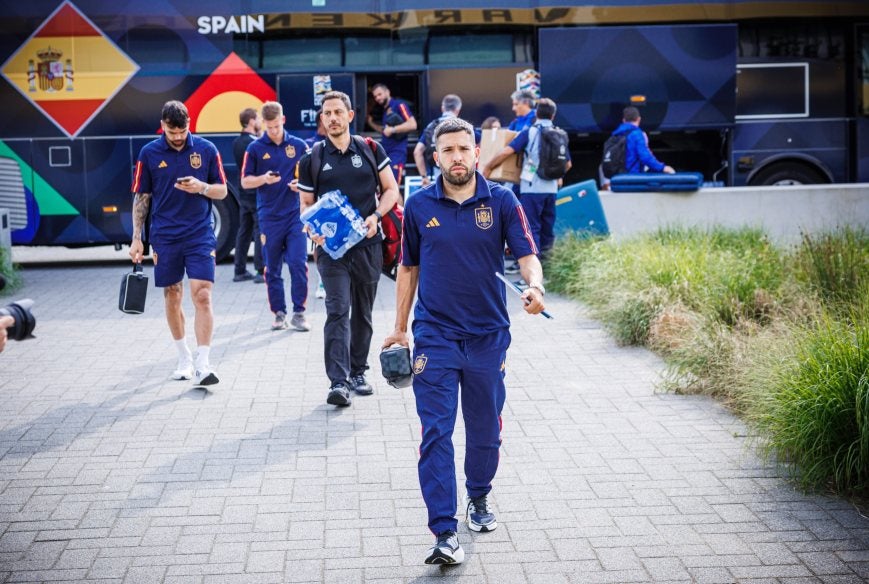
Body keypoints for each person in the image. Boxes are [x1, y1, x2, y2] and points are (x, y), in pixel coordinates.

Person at [381, 117, 546, 565]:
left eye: (464, 148)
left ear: (477, 153)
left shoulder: (502, 200)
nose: (456, 156)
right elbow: (408, 269)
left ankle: (479, 495)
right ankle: (443, 531)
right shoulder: (418, 205)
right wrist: (399, 326)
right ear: (436, 157)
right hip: (435, 334)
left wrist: (536, 287)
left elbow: (528, 255)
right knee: (436, 431)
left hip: (489, 335)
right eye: (447, 150)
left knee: (484, 429)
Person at [298, 91, 400, 407]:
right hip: (332, 251)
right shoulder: (312, 158)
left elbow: (391, 190)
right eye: (326, 113)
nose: (331, 118)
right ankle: (339, 382)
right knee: (338, 308)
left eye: (337, 112)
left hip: (368, 244)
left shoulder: (370, 149)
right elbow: (305, 204)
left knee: (363, 313)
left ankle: (358, 372)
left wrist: (375, 217)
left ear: (350, 115)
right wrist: (313, 229)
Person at [129, 100, 228, 387]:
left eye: (182, 132)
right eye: (172, 133)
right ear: (163, 126)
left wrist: (202, 187)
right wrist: (137, 238)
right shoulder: (149, 153)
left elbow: (221, 190)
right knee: (173, 295)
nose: (177, 137)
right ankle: (183, 357)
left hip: (199, 234)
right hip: (165, 235)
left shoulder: (206, 150)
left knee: (203, 295)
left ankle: (203, 363)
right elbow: (142, 198)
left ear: (189, 124)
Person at [241, 101, 311, 332]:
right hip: (269, 216)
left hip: (295, 216)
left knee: (298, 263)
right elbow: (244, 181)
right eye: (268, 127)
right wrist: (264, 179)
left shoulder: (299, 146)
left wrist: (299, 185)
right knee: (272, 268)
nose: (272, 131)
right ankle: (279, 313)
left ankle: (299, 312)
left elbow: (313, 178)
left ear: (283, 120)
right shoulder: (255, 148)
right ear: (263, 123)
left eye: (276, 126)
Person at [481, 98, 571, 259]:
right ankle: (548, 266)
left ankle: (534, 268)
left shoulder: (529, 132)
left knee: (531, 228)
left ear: (536, 113)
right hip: (551, 189)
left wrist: (488, 167)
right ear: (553, 115)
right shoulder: (560, 133)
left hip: (531, 189)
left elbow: (506, 152)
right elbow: (568, 164)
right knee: (547, 229)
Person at [232, 107, 265, 284]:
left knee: (243, 231)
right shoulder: (254, 143)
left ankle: (239, 270)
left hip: (242, 192)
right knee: (259, 229)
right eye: (258, 118)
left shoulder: (237, 142)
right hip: (255, 191)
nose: (260, 122)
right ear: (251, 121)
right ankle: (261, 270)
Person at [367, 83, 417, 186]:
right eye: (375, 96)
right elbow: (385, 131)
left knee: (393, 189)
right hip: (386, 154)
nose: (377, 98)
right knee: (387, 189)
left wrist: (393, 129)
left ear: (387, 92)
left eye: (379, 94)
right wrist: (370, 123)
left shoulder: (399, 105)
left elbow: (413, 124)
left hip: (397, 154)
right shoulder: (386, 110)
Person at [413, 94, 462, 186]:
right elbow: (481, 144)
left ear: (442, 108)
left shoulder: (431, 126)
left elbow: (417, 152)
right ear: (458, 110)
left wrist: (424, 177)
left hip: (439, 175)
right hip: (460, 175)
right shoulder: (464, 127)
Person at [612, 105, 675, 176]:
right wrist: (663, 168)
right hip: (632, 177)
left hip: (617, 178)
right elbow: (645, 157)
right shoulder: (637, 134)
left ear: (623, 120)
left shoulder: (615, 134)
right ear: (639, 119)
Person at [305, 111, 328, 299]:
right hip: (320, 205)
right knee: (318, 246)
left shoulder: (344, 142)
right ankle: (322, 281)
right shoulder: (312, 145)